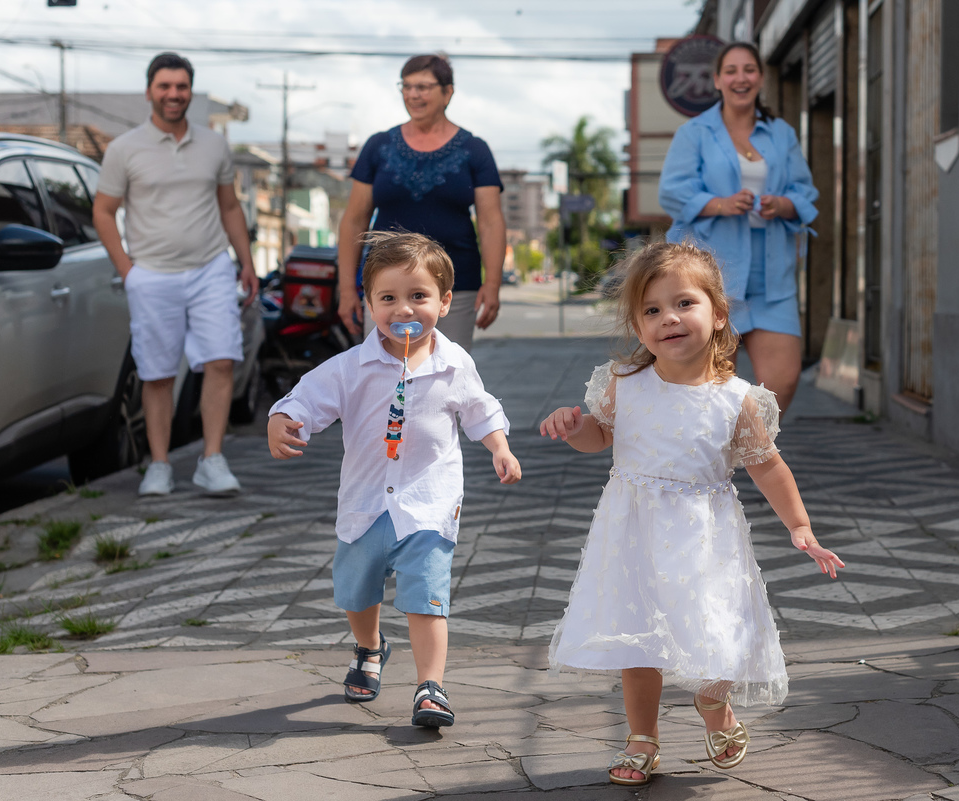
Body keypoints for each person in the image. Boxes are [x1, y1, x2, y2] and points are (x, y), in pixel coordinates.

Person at [540, 242, 843, 786]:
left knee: (712, 627)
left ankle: (715, 704)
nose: (669, 318)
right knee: (637, 636)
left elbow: (768, 466)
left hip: (705, 537)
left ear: (718, 314)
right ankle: (642, 737)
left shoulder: (736, 398)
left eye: (684, 303)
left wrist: (800, 526)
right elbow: (599, 435)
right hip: (632, 532)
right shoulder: (623, 383)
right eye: (652, 310)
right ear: (637, 325)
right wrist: (574, 426)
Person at [268, 231, 521, 726]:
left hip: (428, 503)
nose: (403, 309)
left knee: (427, 597)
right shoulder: (350, 367)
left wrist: (500, 447)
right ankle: (370, 647)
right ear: (369, 305)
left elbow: (481, 409)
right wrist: (284, 420)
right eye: (388, 298)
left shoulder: (454, 364)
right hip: (364, 503)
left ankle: (431, 687)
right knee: (357, 593)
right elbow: (306, 398)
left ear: (444, 302)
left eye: (418, 296)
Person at [93, 51, 258, 497]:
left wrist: (245, 261)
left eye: (181, 86)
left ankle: (212, 459)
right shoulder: (124, 148)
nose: (173, 94)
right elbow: (103, 212)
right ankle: (160, 465)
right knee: (158, 373)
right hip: (151, 274)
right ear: (149, 91)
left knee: (221, 359)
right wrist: (127, 270)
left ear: (190, 91)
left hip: (211, 268)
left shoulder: (214, 145)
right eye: (164, 86)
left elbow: (229, 206)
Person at [659, 41, 819, 413]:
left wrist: (781, 204)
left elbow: (804, 191)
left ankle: (750, 447)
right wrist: (722, 204)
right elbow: (672, 192)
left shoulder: (781, 133)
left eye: (749, 69)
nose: (740, 78)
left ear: (760, 78)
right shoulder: (695, 132)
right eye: (730, 71)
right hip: (712, 277)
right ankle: (715, 449)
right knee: (706, 390)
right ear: (717, 80)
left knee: (781, 384)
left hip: (772, 277)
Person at [337, 54, 506, 351]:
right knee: (382, 370)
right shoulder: (378, 146)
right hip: (384, 288)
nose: (413, 94)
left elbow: (491, 222)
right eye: (407, 86)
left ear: (447, 92)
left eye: (423, 87)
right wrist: (347, 287)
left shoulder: (475, 150)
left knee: (447, 371)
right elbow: (354, 220)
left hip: (453, 288)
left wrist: (492, 284)